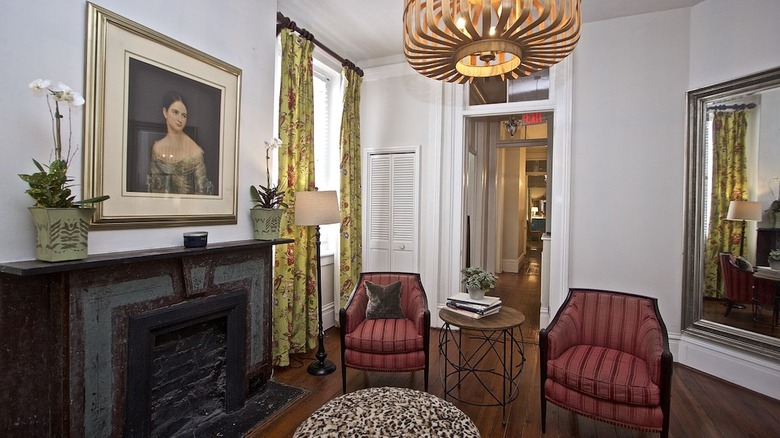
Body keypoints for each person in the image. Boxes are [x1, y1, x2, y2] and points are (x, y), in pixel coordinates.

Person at [148, 91, 214, 195]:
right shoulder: (157, 148)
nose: (180, 119)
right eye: (175, 112)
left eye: (184, 116)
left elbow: (202, 193)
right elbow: (154, 190)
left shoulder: (195, 152)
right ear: (165, 112)